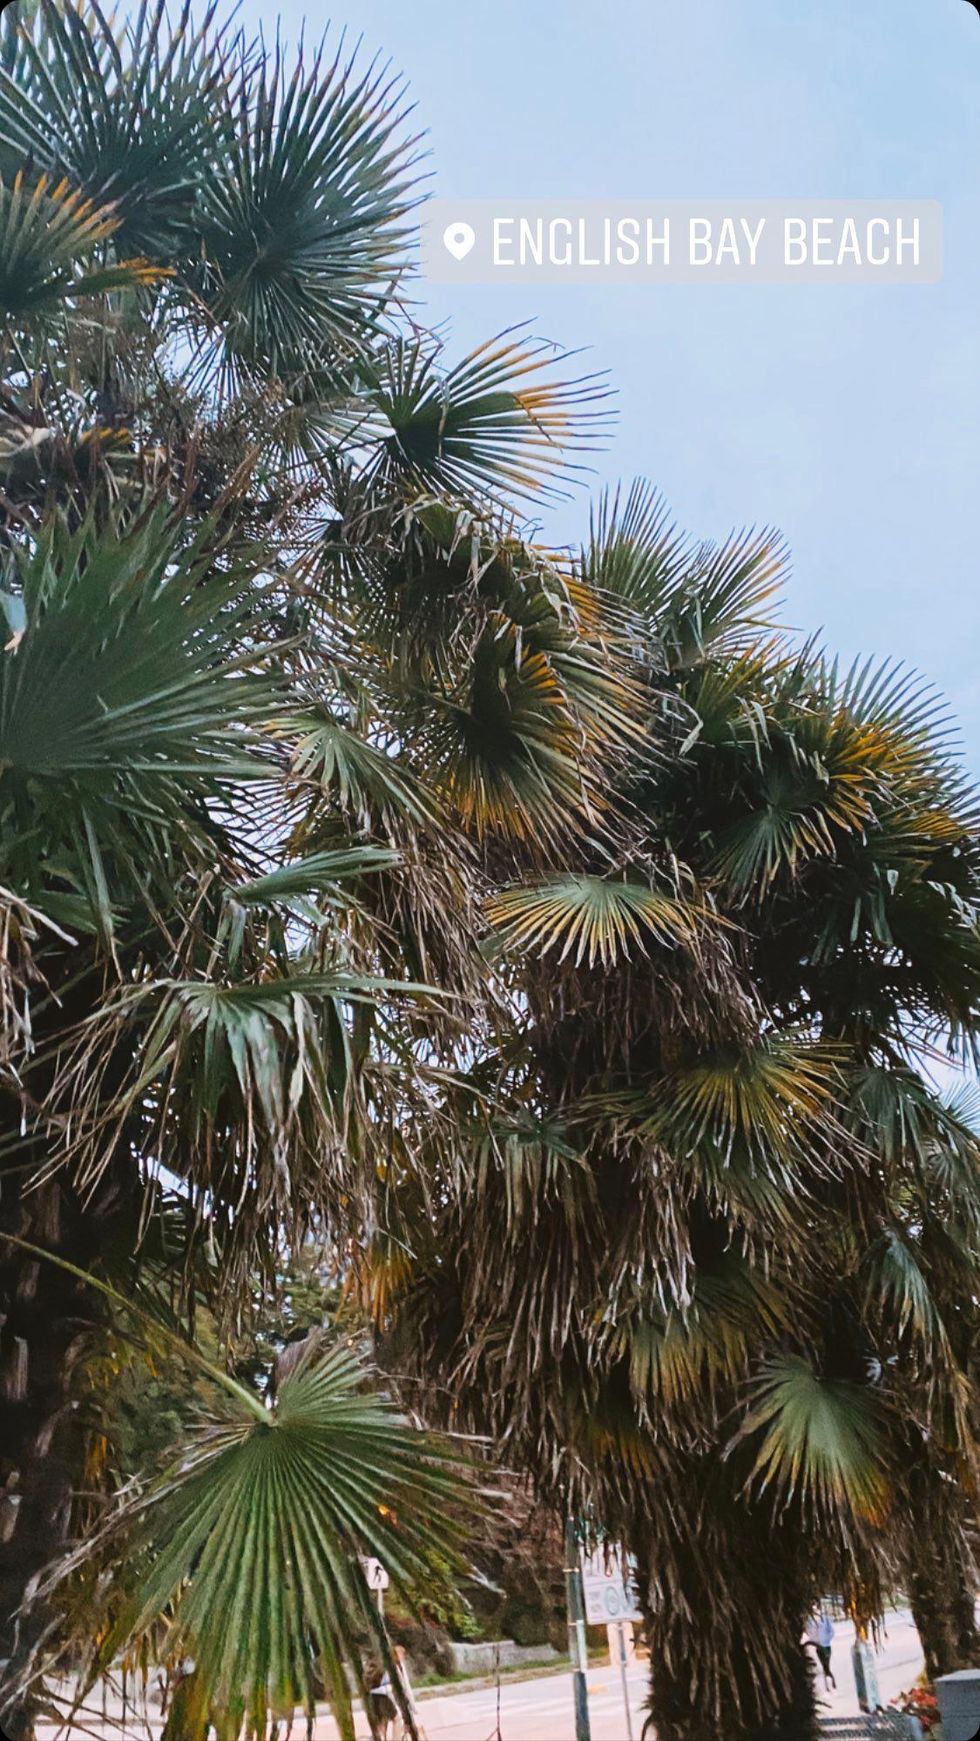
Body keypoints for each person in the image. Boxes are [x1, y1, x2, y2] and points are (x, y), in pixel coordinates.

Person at [804, 1609, 837, 1691]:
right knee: (823, 1666)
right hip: (817, 1646)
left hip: (826, 1646)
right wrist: (814, 1640)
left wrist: (826, 1639)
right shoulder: (810, 1620)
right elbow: (809, 1632)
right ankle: (829, 1685)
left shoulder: (824, 1618)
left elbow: (831, 1631)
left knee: (826, 1666)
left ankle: (831, 1684)